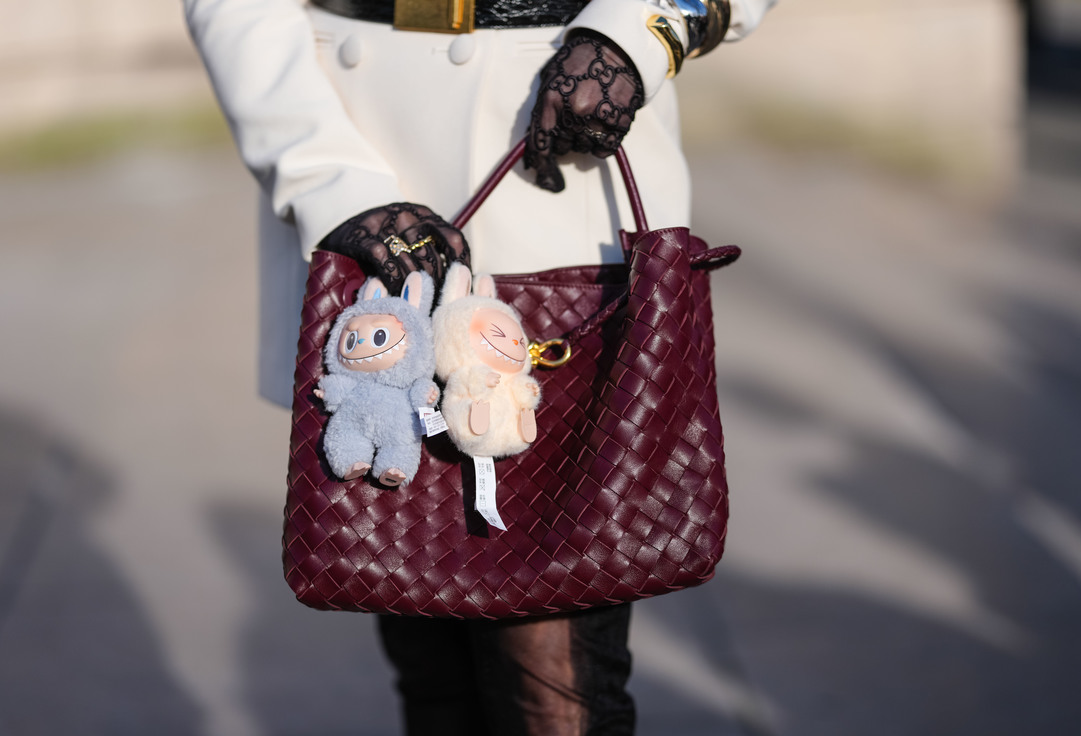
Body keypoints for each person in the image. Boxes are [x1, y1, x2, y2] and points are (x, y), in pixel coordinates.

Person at [184, 0, 775, 733]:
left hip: (570, 128)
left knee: (552, 694)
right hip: (359, 147)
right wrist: (326, 179)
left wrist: (638, 33)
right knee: (433, 677)